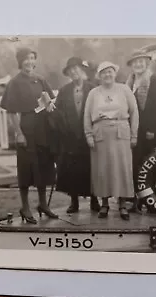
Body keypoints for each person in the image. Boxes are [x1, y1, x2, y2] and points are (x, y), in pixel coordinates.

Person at [0, 47, 59, 224]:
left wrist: (50, 105)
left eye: (32, 58)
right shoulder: (15, 82)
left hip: (43, 128)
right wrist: (19, 133)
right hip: (26, 128)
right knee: (26, 168)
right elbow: (11, 112)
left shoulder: (41, 79)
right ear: (20, 61)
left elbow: (51, 102)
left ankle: (42, 204)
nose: (29, 62)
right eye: (26, 59)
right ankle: (25, 206)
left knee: (43, 166)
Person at [84, 61, 139, 221]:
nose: (107, 75)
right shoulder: (94, 93)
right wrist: (89, 135)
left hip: (121, 132)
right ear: (99, 76)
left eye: (110, 72)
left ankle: (122, 204)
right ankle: (104, 204)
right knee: (102, 169)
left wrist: (134, 134)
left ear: (115, 73)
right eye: (103, 72)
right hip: (100, 133)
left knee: (122, 168)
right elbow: (87, 115)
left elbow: (134, 112)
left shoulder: (124, 89)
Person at [55, 57, 101, 213]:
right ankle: (74, 202)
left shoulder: (93, 89)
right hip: (70, 137)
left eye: (76, 69)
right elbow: (58, 112)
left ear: (82, 70)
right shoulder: (64, 91)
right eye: (71, 70)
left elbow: (99, 110)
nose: (74, 72)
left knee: (91, 167)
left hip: (89, 135)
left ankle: (95, 199)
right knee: (72, 169)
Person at [125, 50, 156, 212]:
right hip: (135, 131)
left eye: (141, 61)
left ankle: (153, 201)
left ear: (147, 63)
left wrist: (152, 129)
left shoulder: (153, 80)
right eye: (135, 62)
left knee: (152, 165)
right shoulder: (129, 83)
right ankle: (138, 200)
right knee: (136, 165)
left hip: (150, 130)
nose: (138, 65)